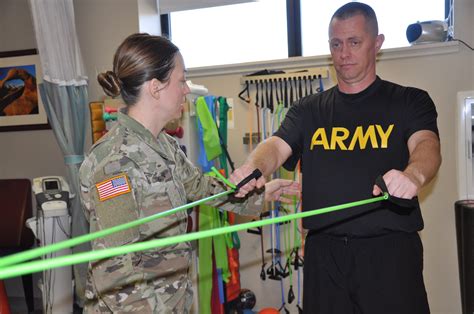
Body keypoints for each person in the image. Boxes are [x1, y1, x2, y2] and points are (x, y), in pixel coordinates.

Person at [230, 2, 441, 313]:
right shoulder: (307, 109)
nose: (344, 54)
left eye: (354, 42)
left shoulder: (409, 100)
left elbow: (426, 145)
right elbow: (275, 145)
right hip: (324, 255)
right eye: (336, 44)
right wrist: (255, 166)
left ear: (377, 43)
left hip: (390, 252)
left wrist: (414, 175)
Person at [78, 33, 300, 313]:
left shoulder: (165, 146)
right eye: (182, 80)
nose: (186, 90)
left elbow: (202, 189)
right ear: (156, 87)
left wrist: (260, 194)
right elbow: (114, 271)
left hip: (172, 300)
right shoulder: (112, 162)